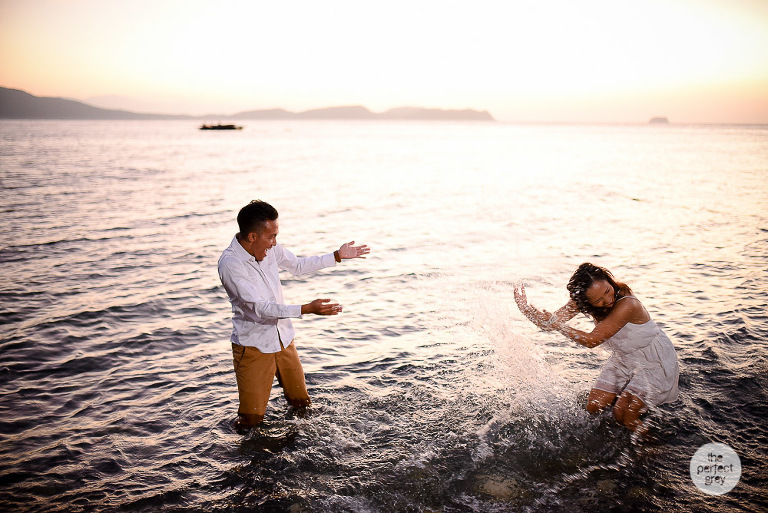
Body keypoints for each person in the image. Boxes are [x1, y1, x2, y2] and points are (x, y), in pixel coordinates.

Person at [218, 200, 370, 430]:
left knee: (302, 405)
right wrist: (306, 309)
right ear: (252, 237)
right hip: (253, 347)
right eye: (271, 237)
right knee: (251, 420)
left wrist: (337, 256)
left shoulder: (270, 249)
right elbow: (261, 308)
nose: (274, 243)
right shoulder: (230, 264)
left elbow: (298, 265)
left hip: (283, 339)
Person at [514, 263, 679, 432]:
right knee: (594, 406)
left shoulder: (628, 304)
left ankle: (652, 443)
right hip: (624, 357)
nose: (607, 300)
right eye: (598, 301)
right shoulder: (582, 302)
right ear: (587, 302)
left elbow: (592, 340)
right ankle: (624, 412)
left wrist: (560, 327)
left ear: (609, 280)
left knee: (624, 413)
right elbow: (549, 324)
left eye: (607, 291)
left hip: (653, 360)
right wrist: (525, 309)